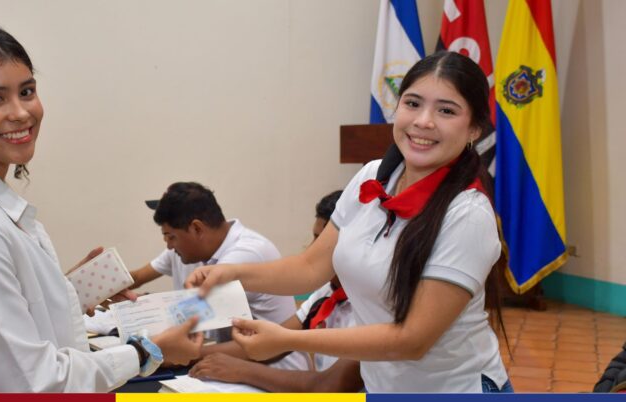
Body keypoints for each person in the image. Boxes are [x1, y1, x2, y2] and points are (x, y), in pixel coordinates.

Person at [0, 24, 202, 392]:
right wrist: (146, 353)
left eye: (27, 91)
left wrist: (70, 291)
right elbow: (31, 382)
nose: (21, 113)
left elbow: (14, 319)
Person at [186, 51, 512, 393]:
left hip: (455, 391)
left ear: (474, 127)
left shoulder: (468, 215)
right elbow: (311, 267)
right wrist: (233, 274)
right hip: (383, 387)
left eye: (446, 110)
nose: (423, 121)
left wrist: (287, 339)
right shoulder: (372, 176)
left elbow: (412, 339)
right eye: (412, 103)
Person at [189, 190, 364, 392]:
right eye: (314, 238)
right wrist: (194, 353)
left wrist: (243, 371)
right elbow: (276, 342)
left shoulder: (372, 305)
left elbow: (330, 386)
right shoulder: (328, 292)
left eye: (321, 241)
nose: (311, 249)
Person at [131, 182, 296, 328]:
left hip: (270, 359)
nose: (168, 245)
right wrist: (115, 290)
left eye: (171, 237)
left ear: (197, 229)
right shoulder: (191, 249)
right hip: (228, 354)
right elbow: (137, 277)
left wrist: (138, 306)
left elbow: (189, 318)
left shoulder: (245, 253)